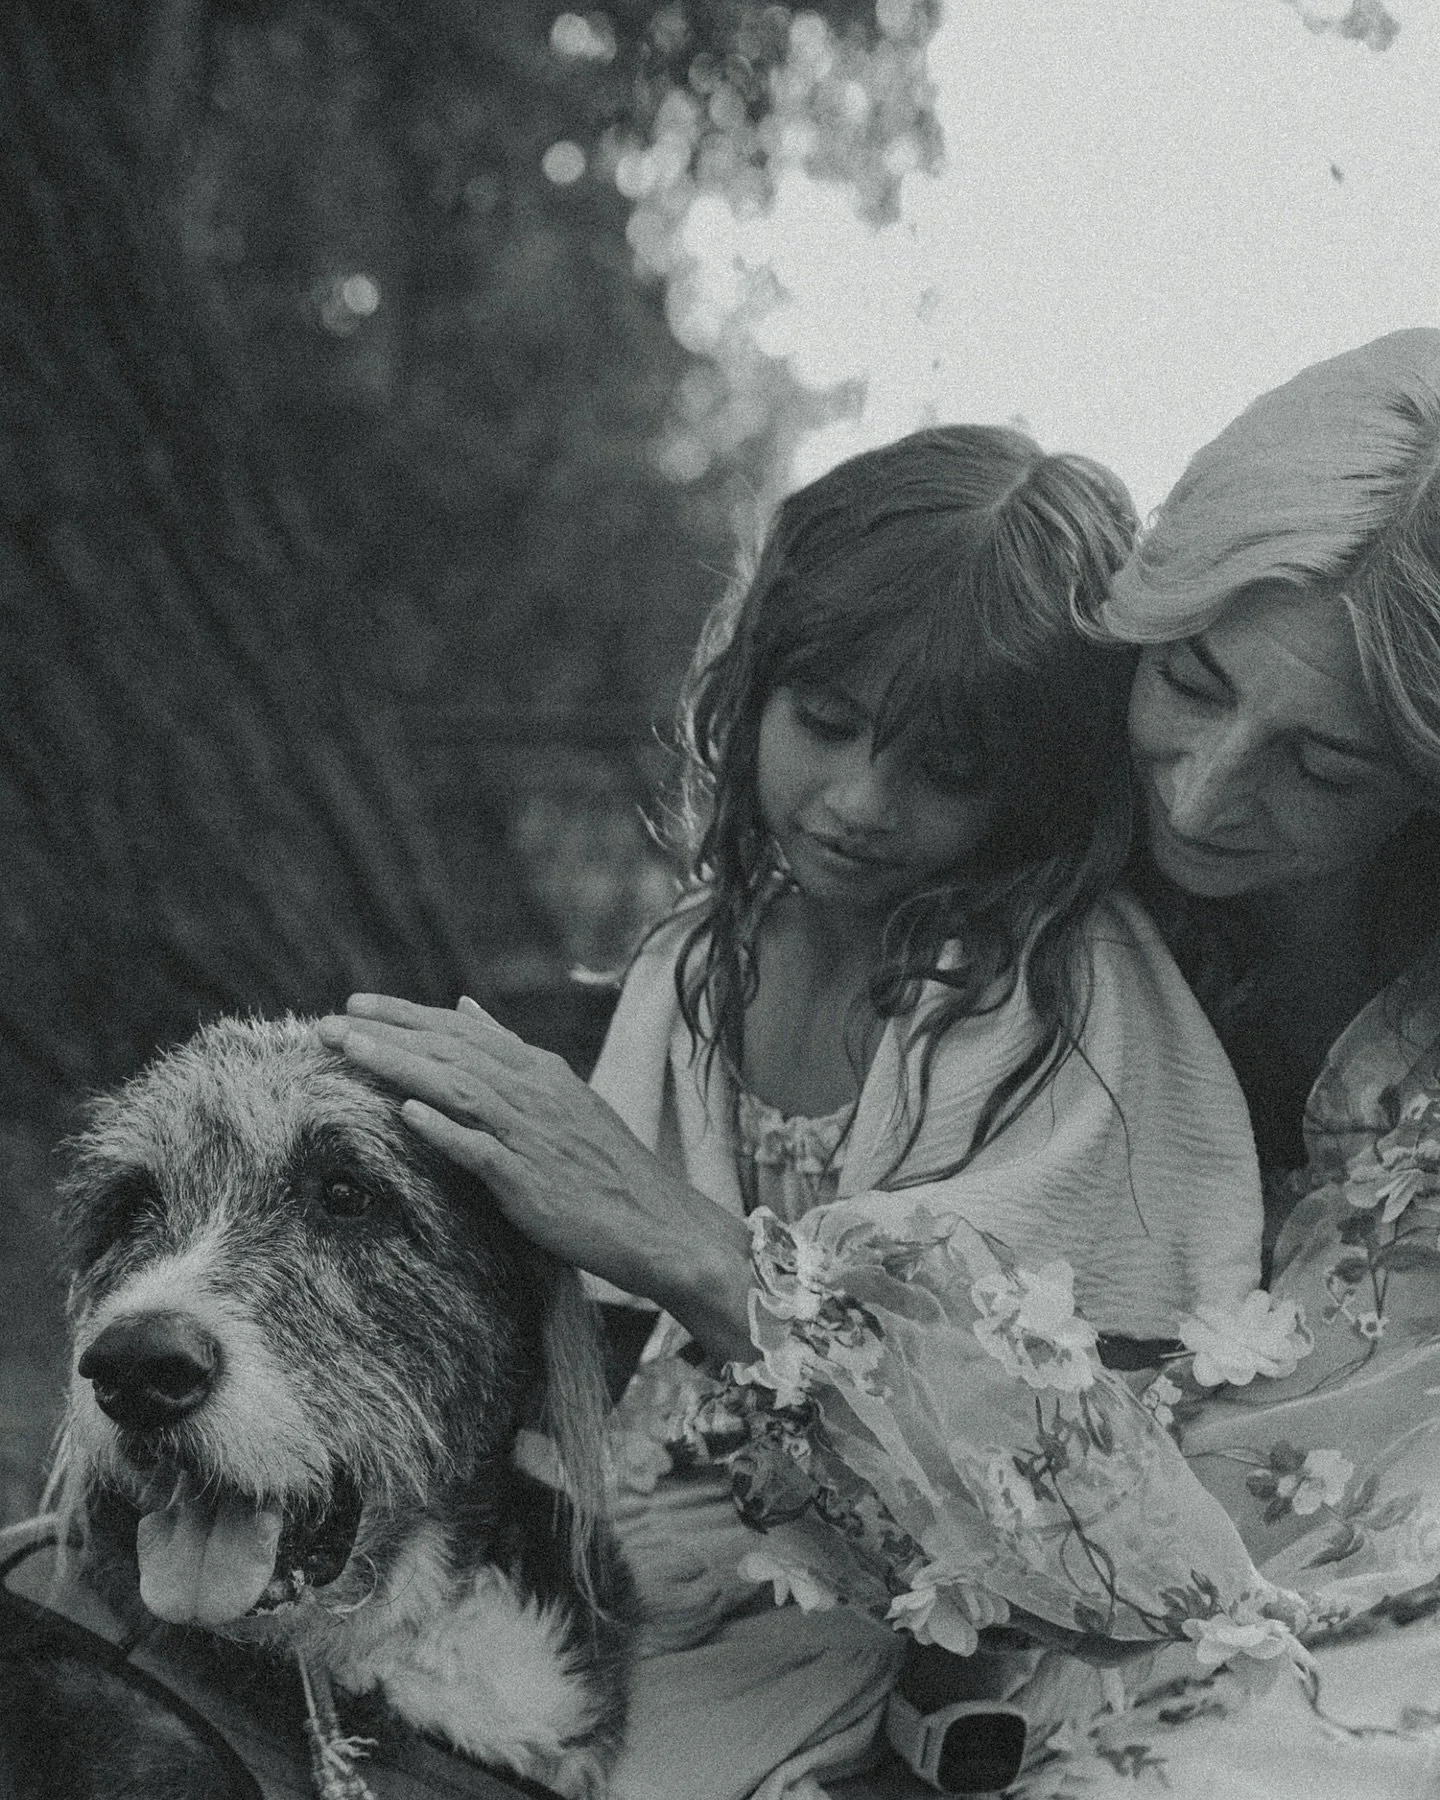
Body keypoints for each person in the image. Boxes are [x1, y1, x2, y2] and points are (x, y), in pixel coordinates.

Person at [319, 423, 1278, 1797]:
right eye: (824, 723)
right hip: (694, 1500)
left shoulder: (1052, 997)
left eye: (947, 770)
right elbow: (608, 1291)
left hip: (947, 1573)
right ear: (757, 679)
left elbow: (1076, 1423)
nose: (859, 802)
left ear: (1036, 779)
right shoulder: (706, 956)